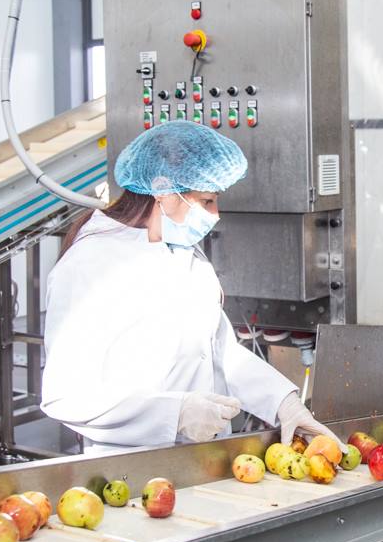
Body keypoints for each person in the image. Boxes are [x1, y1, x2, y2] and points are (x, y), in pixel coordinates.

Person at [41, 120, 342, 455]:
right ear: (164, 191)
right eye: (207, 201)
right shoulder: (88, 267)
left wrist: (283, 403)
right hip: (131, 466)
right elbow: (65, 396)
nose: (215, 214)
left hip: (205, 458)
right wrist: (176, 413)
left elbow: (218, 350)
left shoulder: (181, 252)